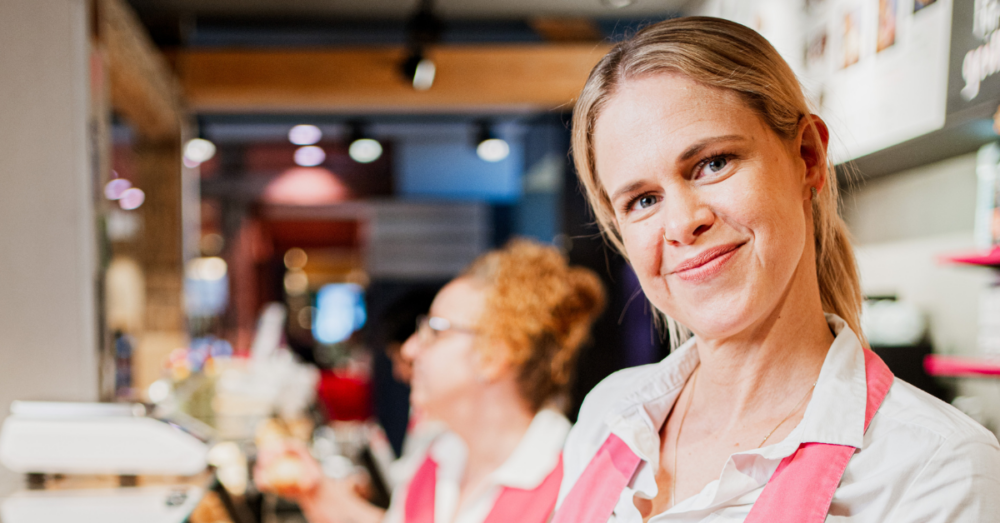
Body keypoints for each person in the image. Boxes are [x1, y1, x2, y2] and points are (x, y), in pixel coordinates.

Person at [553, 17, 1000, 523]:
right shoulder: (608, 414)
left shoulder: (934, 468)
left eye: (713, 163)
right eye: (643, 200)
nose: (681, 223)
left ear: (807, 157)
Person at [257, 239, 605, 523]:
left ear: (496, 354)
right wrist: (313, 488)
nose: (410, 349)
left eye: (434, 331)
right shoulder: (440, 454)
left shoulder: (571, 484)